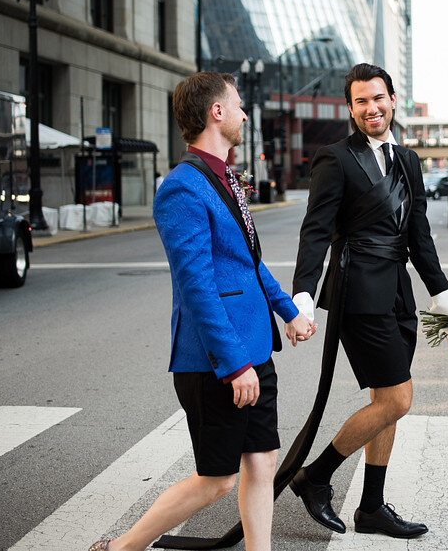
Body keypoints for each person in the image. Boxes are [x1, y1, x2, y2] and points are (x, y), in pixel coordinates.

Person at [90, 72, 316, 551]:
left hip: (254, 348)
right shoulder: (182, 188)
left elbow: (247, 263)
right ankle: (120, 548)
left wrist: (287, 311)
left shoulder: (227, 177)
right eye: (237, 104)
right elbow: (197, 288)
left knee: (262, 461)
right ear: (216, 111)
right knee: (217, 481)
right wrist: (234, 365)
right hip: (216, 360)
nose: (243, 113)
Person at [289, 63, 448, 539]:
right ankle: (316, 477)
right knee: (398, 399)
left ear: (392, 100)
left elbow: (419, 234)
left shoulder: (408, 160)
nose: (372, 108)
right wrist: (302, 295)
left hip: (397, 293)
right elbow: (316, 231)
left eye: (378, 98)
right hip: (357, 292)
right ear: (350, 107)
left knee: (385, 398)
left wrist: (443, 293)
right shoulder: (335, 158)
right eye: (361, 101)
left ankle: (370, 508)